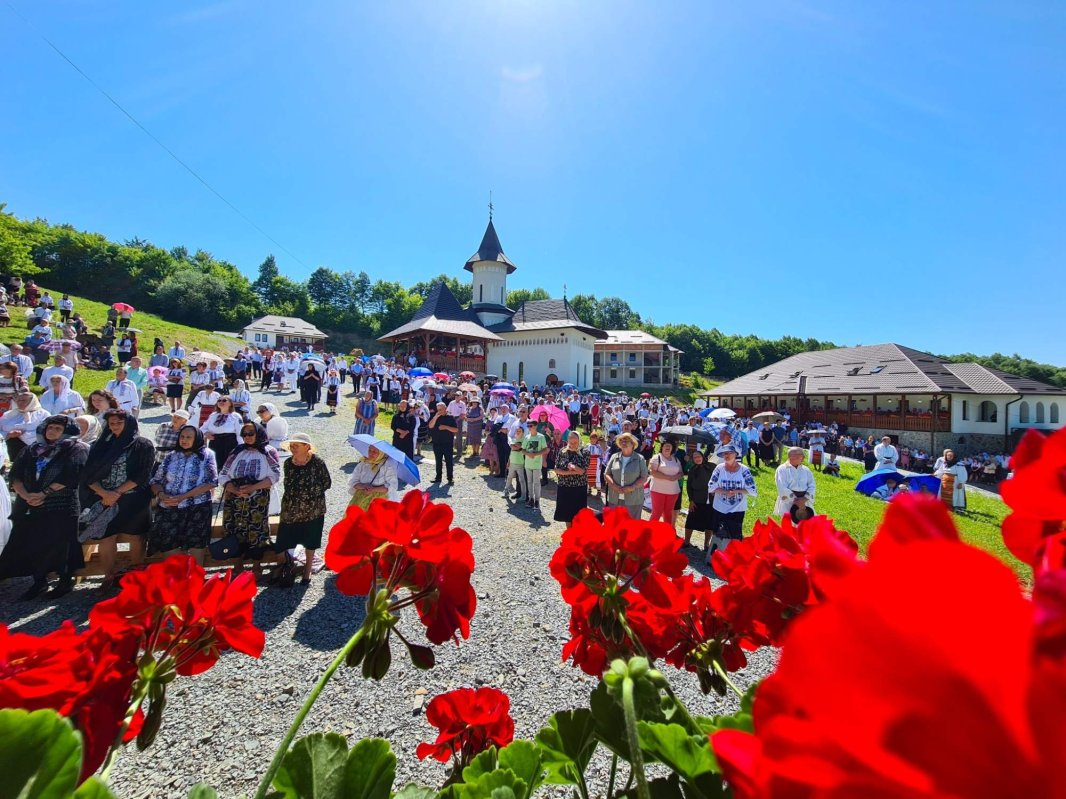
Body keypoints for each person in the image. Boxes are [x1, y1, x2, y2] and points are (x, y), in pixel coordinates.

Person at [0, 416, 88, 599]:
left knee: (61, 545)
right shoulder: (32, 449)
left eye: (58, 428)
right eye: (50, 427)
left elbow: (72, 475)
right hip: (30, 504)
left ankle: (64, 581)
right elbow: (16, 475)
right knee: (33, 543)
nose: (52, 431)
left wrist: (43, 494)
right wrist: (25, 495)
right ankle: (39, 582)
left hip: (61, 505)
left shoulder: (75, 449)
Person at [80, 411, 156, 588]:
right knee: (106, 538)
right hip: (104, 498)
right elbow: (87, 474)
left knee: (136, 537)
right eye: (111, 423)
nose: (114, 426)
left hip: (133, 498)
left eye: (119, 423)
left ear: (128, 424)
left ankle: (135, 578)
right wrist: (104, 493)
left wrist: (116, 492)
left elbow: (143, 474)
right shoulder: (101, 445)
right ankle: (108, 577)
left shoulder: (142, 445)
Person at [147, 425, 218, 563]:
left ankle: (194, 575)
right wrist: (161, 495)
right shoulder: (171, 456)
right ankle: (177, 575)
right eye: (182, 437)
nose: (184, 440)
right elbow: (155, 481)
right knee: (168, 542)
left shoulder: (207, 455)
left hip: (197, 506)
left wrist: (184, 497)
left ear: (197, 439)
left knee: (196, 542)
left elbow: (212, 481)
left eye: (188, 437)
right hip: (169, 505)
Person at [218, 422, 281, 574]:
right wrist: (234, 489)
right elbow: (223, 474)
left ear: (259, 434)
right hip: (235, 497)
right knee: (234, 529)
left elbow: (275, 475)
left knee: (256, 530)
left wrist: (252, 488)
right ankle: (237, 566)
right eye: (244, 434)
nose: (247, 437)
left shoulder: (268, 452)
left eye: (250, 434)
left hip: (257, 497)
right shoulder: (237, 451)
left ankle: (256, 567)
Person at [706, 444, 758, 560]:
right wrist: (724, 492)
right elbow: (711, 486)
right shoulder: (719, 468)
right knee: (718, 533)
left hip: (738, 508)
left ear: (736, 455)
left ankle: (732, 559)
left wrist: (738, 491)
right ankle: (714, 557)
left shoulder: (744, 470)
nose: (727, 455)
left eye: (730, 453)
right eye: (725, 453)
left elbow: (753, 490)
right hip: (720, 507)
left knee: (734, 535)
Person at [603, 433, 649, 519]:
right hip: (614, 498)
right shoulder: (614, 457)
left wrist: (632, 487)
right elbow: (606, 474)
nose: (623, 442)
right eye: (621, 441)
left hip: (634, 499)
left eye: (626, 441)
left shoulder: (640, 458)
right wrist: (614, 486)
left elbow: (644, 477)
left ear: (633, 444)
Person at [553, 430, 590, 526]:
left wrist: (574, 467)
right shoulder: (563, 451)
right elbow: (556, 469)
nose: (573, 445)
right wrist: (570, 472)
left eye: (575, 443)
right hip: (564, 486)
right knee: (567, 514)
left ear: (579, 440)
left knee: (579, 515)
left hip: (579, 487)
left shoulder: (585, 452)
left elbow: (582, 471)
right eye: (571, 442)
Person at [1, 390, 49, 462]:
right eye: (18, 400)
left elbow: (45, 431)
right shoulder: (9, 414)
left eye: (23, 400)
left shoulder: (43, 414)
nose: (20, 403)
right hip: (9, 446)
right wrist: (9, 434)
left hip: (31, 448)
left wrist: (23, 434)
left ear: (32, 401)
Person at [683, 448, 716, 550]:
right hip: (696, 500)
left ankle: (706, 545)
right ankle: (686, 542)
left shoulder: (712, 466)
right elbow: (689, 487)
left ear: (703, 457)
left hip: (711, 500)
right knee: (690, 522)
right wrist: (691, 500)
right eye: (695, 457)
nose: (697, 458)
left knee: (709, 524)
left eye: (698, 456)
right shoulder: (692, 470)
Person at [347, 443, 397, 510]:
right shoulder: (363, 463)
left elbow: (391, 486)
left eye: (374, 452)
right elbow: (353, 482)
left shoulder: (387, 466)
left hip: (379, 500)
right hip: (361, 497)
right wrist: (364, 486)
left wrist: (373, 489)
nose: (371, 453)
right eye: (369, 450)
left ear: (381, 453)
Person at [201, 395, 242, 471]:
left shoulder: (235, 416)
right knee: (215, 466)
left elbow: (240, 432)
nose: (221, 402)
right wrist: (206, 433)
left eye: (224, 400)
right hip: (215, 443)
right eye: (219, 400)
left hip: (230, 444)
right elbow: (203, 428)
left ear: (230, 403)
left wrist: (241, 447)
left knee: (228, 466)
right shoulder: (213, 415)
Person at [773, 447, 817, 518]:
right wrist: (797, 501)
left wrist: (804, 499)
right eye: (801, 455)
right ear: (792, 456)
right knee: (789, 522)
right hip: (789, 502)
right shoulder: (782, 469)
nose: (803, 457)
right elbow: (782, 487)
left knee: (807, 523)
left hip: (805, 501)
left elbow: (812, 485)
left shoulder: (806, 470)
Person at [648, 439, 683, 526]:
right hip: (658, 490)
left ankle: (667, 532)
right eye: (665, 445)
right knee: (657, 513)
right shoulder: (657, 457)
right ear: (662, 447)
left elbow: (681, 473)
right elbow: (652, 472)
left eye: (669, 446)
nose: (667, 447)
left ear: (672, 448)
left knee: (668, 513)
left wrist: (675, 477)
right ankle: (649, 531)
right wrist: (668, 477)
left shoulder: (676, 459)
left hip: (673, 492)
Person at [428, 401, 458, 485]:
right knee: (438, 461)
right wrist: (435, 417)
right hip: (437, 443)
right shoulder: (435, 417)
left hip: (447, 443)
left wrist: (446, 427)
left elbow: (456, 430)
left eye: (441, 409)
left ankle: (450, 478)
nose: (439, 411)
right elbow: (430, 426)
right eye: (438, 409)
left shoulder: (450, 418)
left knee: (449, 461)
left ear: (445, 408)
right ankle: (438, 478)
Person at [521, 419, 549, 510]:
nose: (529, 427)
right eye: (528, 426)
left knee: (536, 483)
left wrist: (536, 454)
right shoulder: (527, 437)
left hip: (537, 464)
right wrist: (528, 454)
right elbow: (523, 449)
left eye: (531, 425)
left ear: (536, 426)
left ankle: (537, 501)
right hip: (528, 464)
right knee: (529, 482)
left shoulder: (541, 437)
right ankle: (531, 499)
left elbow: (545, 449)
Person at [504, 423, 527, 501]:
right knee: (509, 477)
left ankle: (523, 495)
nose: (518, 432)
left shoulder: (524, 441)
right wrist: (508, 462)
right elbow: (512, 450)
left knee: (521, 480)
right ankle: (506, 491)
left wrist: (514, 446)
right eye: (517, 431)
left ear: (523, 433)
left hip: (520, 463)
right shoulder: (513, 440)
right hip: (512, 463)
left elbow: (516, 447)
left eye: (519, 431)